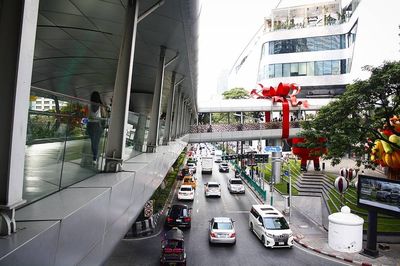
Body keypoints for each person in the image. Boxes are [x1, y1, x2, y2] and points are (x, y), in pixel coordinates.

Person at [87, 91, 106, 164]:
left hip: (90, 125)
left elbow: (87, 116)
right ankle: (95, 158)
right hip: (97, 125)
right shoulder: (100, 106)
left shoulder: (88, 105)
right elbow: (104, 116)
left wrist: (83, 123)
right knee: (96, 142)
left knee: (92, 142)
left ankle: (94, 157)